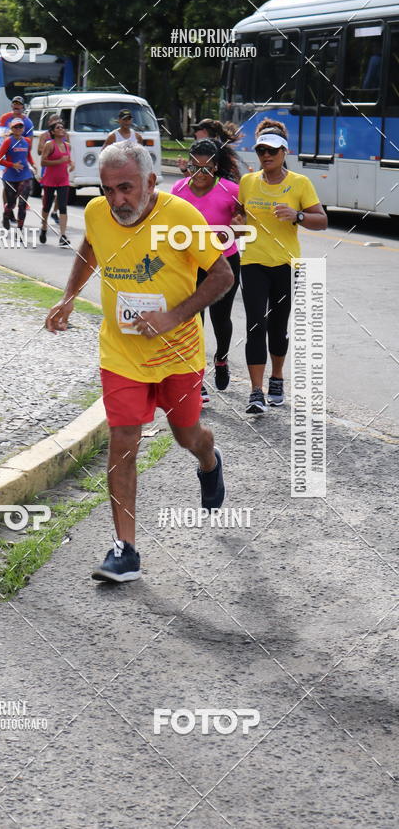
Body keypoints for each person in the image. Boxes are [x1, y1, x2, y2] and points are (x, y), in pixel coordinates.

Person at [45, 142, 233, 583]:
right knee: (123, 440)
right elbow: (90, 248)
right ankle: (124, 550)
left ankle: (209, 459)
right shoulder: (97, 212)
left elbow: (222, 275)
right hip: (122, 353)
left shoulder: (182, 216)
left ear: (151, 181)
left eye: (126, 188)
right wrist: (68, 298)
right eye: (108, 190)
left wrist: (172, 317)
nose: (117, 200)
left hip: (177, 354)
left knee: (187, 435)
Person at [233, 118, 327, 414]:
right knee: (255, 325)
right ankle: (256, 392)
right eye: (261, 150)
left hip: (285, 264)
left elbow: (322, 221)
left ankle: (276, 378)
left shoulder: (299, 183)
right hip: (252, 262)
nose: (266, 155)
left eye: (272, 150)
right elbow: (239, 216)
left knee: (277, 325)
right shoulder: (248, 182)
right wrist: (238, 223)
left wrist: (297, 216)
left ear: (285, 151)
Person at [172, 138, 243, 400]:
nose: (199, 174)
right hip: (191, 265)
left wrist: (238, 226)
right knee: (194, 321)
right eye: (194, 167)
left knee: (220, 319)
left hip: (224, 264)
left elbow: (246, 223)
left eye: (206, 168)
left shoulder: (231, 190)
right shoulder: (179, 189)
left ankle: (221, 359)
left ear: (214, 167)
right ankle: (196, 376)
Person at [0, 117, 37, 234]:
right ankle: (6, 215)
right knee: (11, 203)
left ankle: (19, 230)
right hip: (10, 176)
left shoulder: (27, 141)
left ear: (23, 129)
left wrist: (33, 164)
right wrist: (12, 165)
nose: (18, 129)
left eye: (20, 127)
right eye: (16, 127)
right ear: (12, 128)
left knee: (22, 204)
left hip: (25, 175)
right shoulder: (8, 141)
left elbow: (27, 155)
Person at [40, 119, 74, 247]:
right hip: (50, 180)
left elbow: (68, 159)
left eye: (62, 127)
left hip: (63, 180)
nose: (62, 129)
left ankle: (63, 236)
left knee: (63, 207)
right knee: (47, 206)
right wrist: (59, 161)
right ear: (53, 132)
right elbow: (43, 162)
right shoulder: (50, 145)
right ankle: (44, 227)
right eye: (58, 128)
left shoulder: (67, 145)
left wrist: (72, 164)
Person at [38, 114, 70, 226]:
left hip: (62, 169)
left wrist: (70, 162)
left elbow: (68, 150)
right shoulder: (44, 136)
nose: (58, 124)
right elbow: (39, 151)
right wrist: (51, 148)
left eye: (59, 121)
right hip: (48, 168)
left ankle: (55, 212)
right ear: (49, 124)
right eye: (54, 121)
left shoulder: (65, 135)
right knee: (47, 197)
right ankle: (45, 216)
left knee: (61, 195)